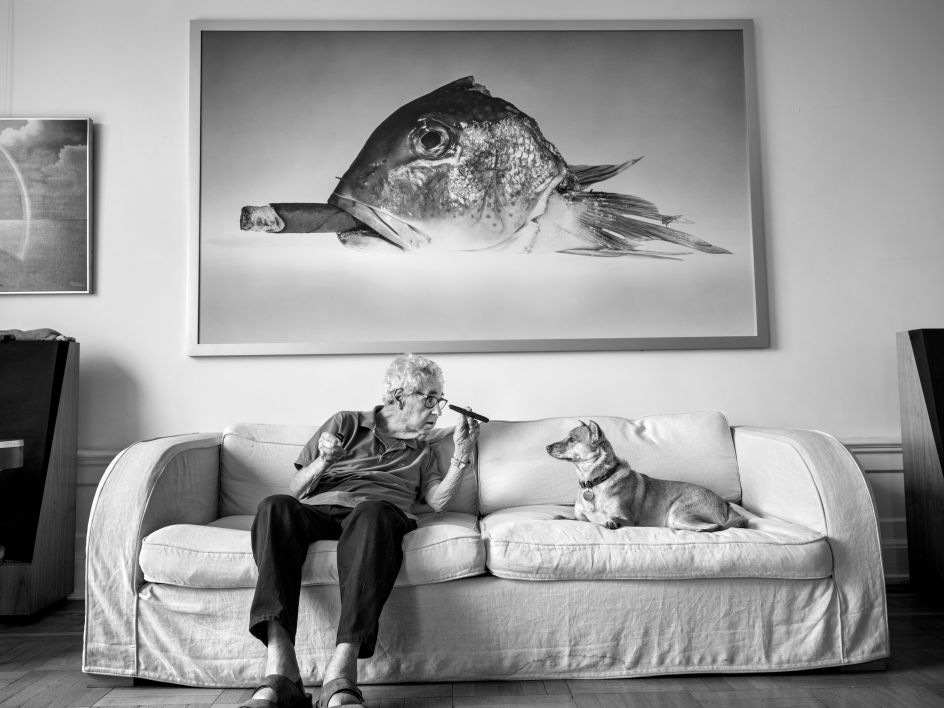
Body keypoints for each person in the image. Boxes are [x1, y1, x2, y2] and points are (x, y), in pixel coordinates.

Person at [241, 354, 480, 708]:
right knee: (274, 506)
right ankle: (281, 670)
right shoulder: (346, 422)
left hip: (377, 516)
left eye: (439, 400)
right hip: (321, 508)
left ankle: (341, 672)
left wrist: (460, 454)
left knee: (372, 511)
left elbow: (437, 501)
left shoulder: (423, 451)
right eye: (430, 398)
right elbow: (297, 489)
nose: (438, 410)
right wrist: (325, 461)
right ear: (399, 396)